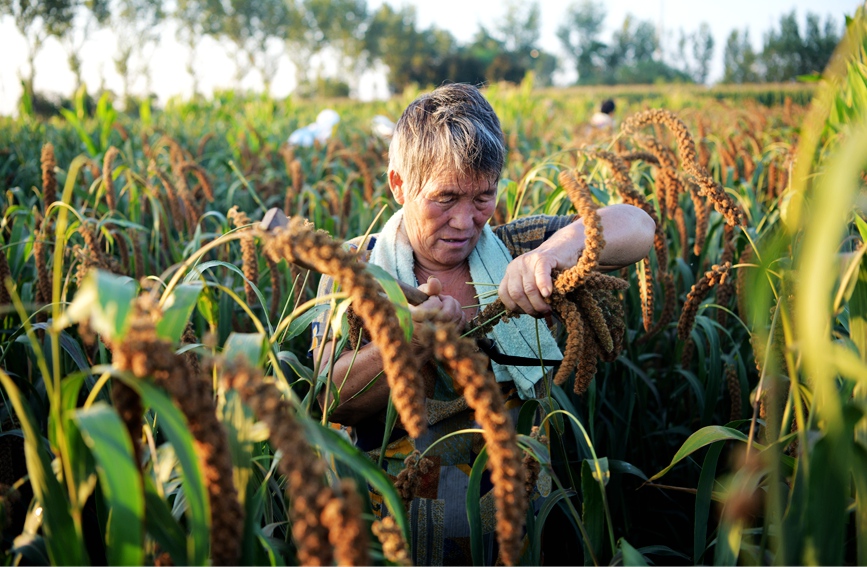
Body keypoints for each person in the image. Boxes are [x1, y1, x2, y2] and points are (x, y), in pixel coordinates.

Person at [311, 83, 654, 565]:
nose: (465, 221)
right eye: (445, 197)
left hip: (519, 527)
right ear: (399, 184)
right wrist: (408, 340)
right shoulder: (354, 270)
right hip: (395, 536)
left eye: (483, 196)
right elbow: (331, 399)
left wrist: (552, 254)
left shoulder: (516, 246)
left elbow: (638, 225)